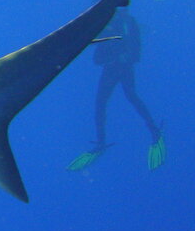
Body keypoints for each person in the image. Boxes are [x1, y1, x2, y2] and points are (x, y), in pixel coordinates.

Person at [67, 9, 166, 172]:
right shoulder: (114, 22)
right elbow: (99, 55)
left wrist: (122, 58)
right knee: (115, 101)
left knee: (121, 99)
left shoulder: (123, 22)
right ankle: (105, 141)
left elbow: (133, 49)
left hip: (121, 68)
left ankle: (151, 132)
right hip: (113, 67)